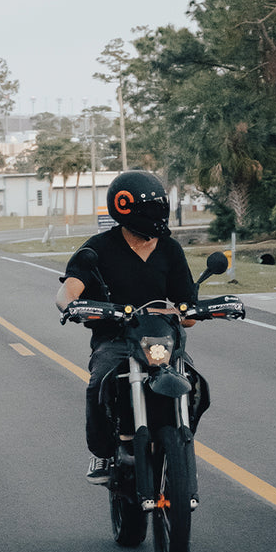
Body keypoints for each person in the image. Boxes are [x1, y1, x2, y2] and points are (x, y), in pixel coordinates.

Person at [56, 171, 195, 484]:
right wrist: (73, 305)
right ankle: (104, 453)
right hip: (116, 340)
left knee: (194, 381)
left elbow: (187, 310)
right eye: (151, 210)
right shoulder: (97, 248)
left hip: (162, 339)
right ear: (125, 209)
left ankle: (181, 436)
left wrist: (187, 310)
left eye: (161, 209)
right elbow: (68, 290)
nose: (158, 217)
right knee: (99, 383)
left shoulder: (170, 250)